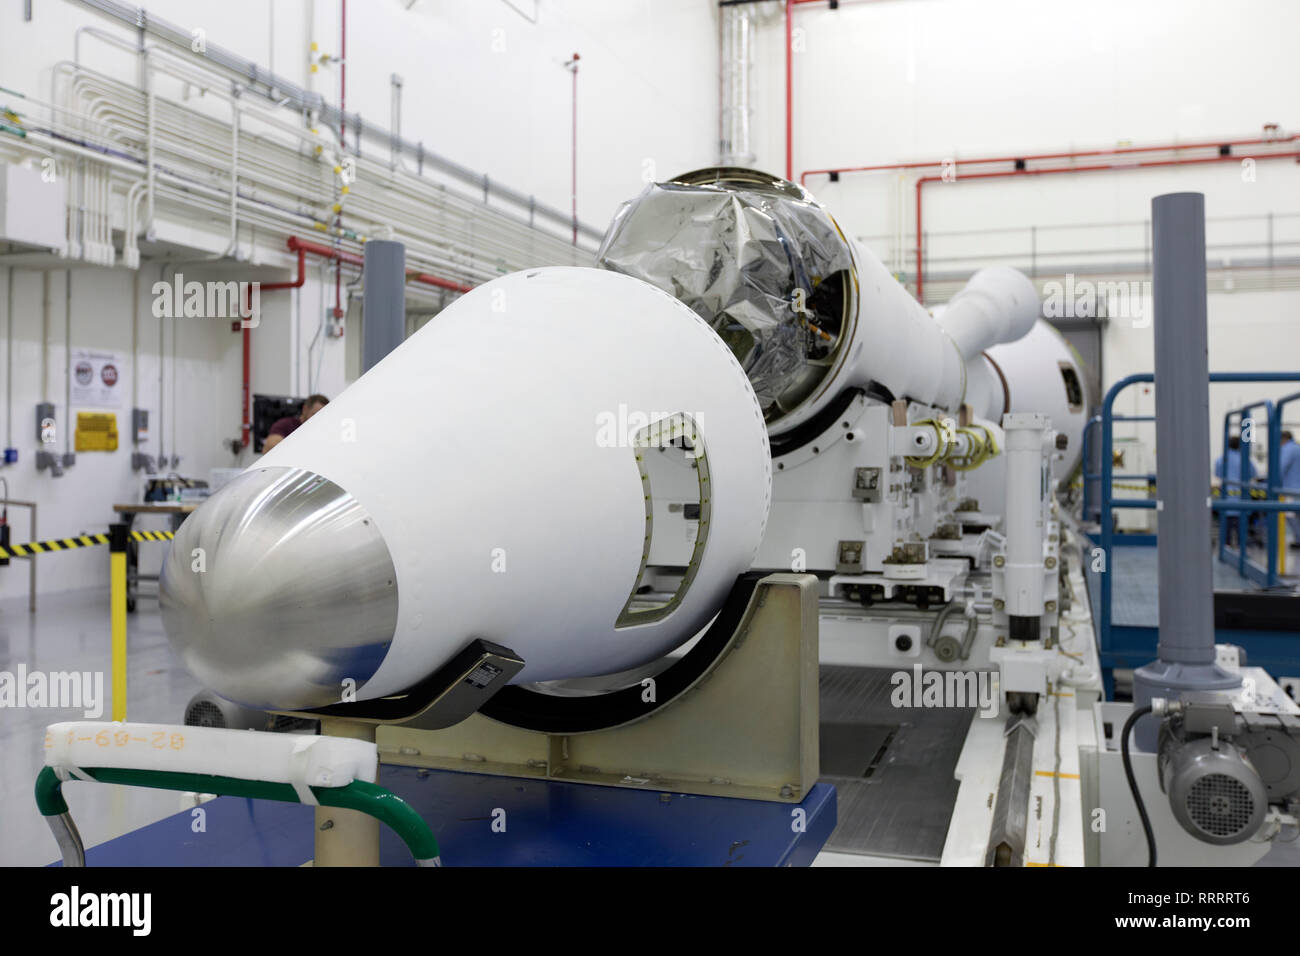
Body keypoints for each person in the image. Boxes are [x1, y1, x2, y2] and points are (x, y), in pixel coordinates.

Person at [1214, 434, 1256, 547]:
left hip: (1226, 498)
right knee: (1241, 528)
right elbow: (1252, 473)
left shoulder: (1222, 459)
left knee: (1225, 528)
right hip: (1241, 498)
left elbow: (1217, 473)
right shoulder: (1245, 459)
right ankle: (1242, 548)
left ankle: (1226, 547)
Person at [262, 394, 329, 452]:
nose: (317, 420)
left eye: (322, 417)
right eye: (314, 415)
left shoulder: (324, 432)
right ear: (305, 409)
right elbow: (269, 447)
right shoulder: (286, 425)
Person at [1280, 430, 1300, 550]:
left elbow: (1281, 467)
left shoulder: (1287, 449)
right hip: (1296, 488)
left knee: (1290, 514)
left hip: (1290, 489)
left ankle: (1298, 539)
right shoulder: (1297, 447)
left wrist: (1272, 483)